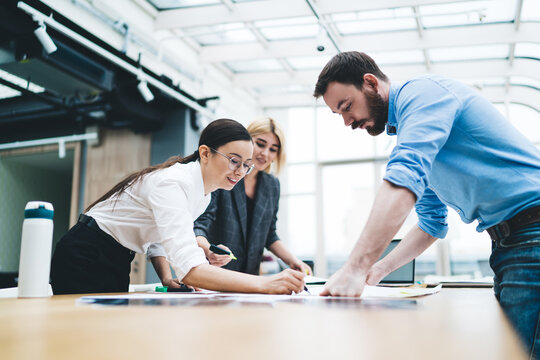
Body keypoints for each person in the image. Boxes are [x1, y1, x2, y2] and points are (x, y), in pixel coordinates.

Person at [313, 51, 540, 358]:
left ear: (370, 83)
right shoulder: (415, 132)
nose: (346, 122)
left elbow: (405, 176)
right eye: (338, 114)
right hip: (511, 244)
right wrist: (376, 270)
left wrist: (355, 267)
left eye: (347, 106)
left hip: (533, 234)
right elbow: (431, 224)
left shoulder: (422, 95)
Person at [50, 118, 305, 295]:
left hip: (116, 257)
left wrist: (165, 276)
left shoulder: (203, 195)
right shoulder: (173, 183)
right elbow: (192, 271)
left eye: (245, 165)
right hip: (85, 253)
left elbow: (159, 236)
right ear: (205, 153)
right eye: (234, 161)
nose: (240, 172)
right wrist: (266, 284)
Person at [148, 118, 311, 288]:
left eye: (273, 149)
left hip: (250, 274)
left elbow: (270, 234)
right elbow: (199, 224)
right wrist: (209, 249)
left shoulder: (271, 185)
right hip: (215, 273)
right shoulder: (223, 177)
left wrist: (292, 260)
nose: (265, 153)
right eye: (260, 144)